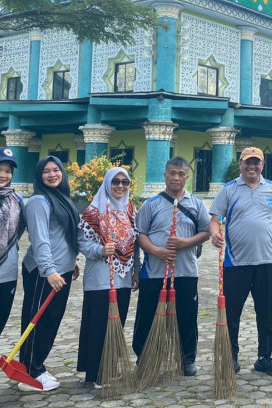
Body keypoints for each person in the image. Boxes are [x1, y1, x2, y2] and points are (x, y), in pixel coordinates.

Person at [209, 147, 272, 377]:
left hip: (266, 262)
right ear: (240, 164)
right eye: (248, 163)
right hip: (236, 263)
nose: (252, 167)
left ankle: (264, 357)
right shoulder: (228, 190)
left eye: (256, 163)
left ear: (263, 164)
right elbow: (215, 219)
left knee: (267, 312)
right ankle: (230, 357)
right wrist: (215, 233)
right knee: (232, 313)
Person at [133, 157, 209, 377]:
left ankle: (187, 358)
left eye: (181, 174)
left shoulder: (196, 204)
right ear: (165, 175)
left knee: (186, 316)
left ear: (187, 176)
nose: (176, 178)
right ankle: (144, 358)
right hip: (154, 272)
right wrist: (157, 251)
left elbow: (205, 231)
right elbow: (140, 235)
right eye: (172, 173)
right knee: (147, 315)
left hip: (186, 271)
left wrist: (186, 243)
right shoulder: (150, 204)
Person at [19, 156, 80, 391]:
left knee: (51, 320)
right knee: (37, 319)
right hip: (43, 272)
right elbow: (40, 240)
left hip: (61, 270)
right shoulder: (38, 201)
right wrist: (50, 271)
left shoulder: (62, 198)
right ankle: (31, 372)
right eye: (46, 171)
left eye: (56, 170)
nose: (52, 174)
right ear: (39, 175)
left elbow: (64, 234)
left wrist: (71, 260)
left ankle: (36, 365)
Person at [77, 167, 139, 387]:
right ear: (106, 184)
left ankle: (110, 368)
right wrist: (100, 250)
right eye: (116, 182)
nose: (120, 186)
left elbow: (136, 242)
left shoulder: (130, 210)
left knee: (117, 324)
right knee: (98, 325)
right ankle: (95, 373)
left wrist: (136, 270)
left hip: (123, 277)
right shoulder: (94, 212)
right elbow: (83, 242)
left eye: (124, 182)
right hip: (100, 278)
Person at [0, 148, 25, 337]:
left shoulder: (17, 200)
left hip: (7, 272)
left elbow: (21, 230)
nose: (4, 175)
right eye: (0, 169)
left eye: (8, 171)